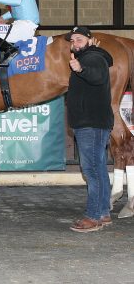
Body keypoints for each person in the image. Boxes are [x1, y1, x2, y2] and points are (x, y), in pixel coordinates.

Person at [66, 26, 114, 233]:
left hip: (91, 124)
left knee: (92, 171)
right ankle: (103, 213)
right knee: (99, 170)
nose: (74, 43)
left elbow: (97, 77)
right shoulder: (92, 56)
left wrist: (80, 69)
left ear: (89, 40)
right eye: (72, 40)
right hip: (92, 123)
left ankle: (93, 217)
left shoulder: (92, 58)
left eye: (79, 39)